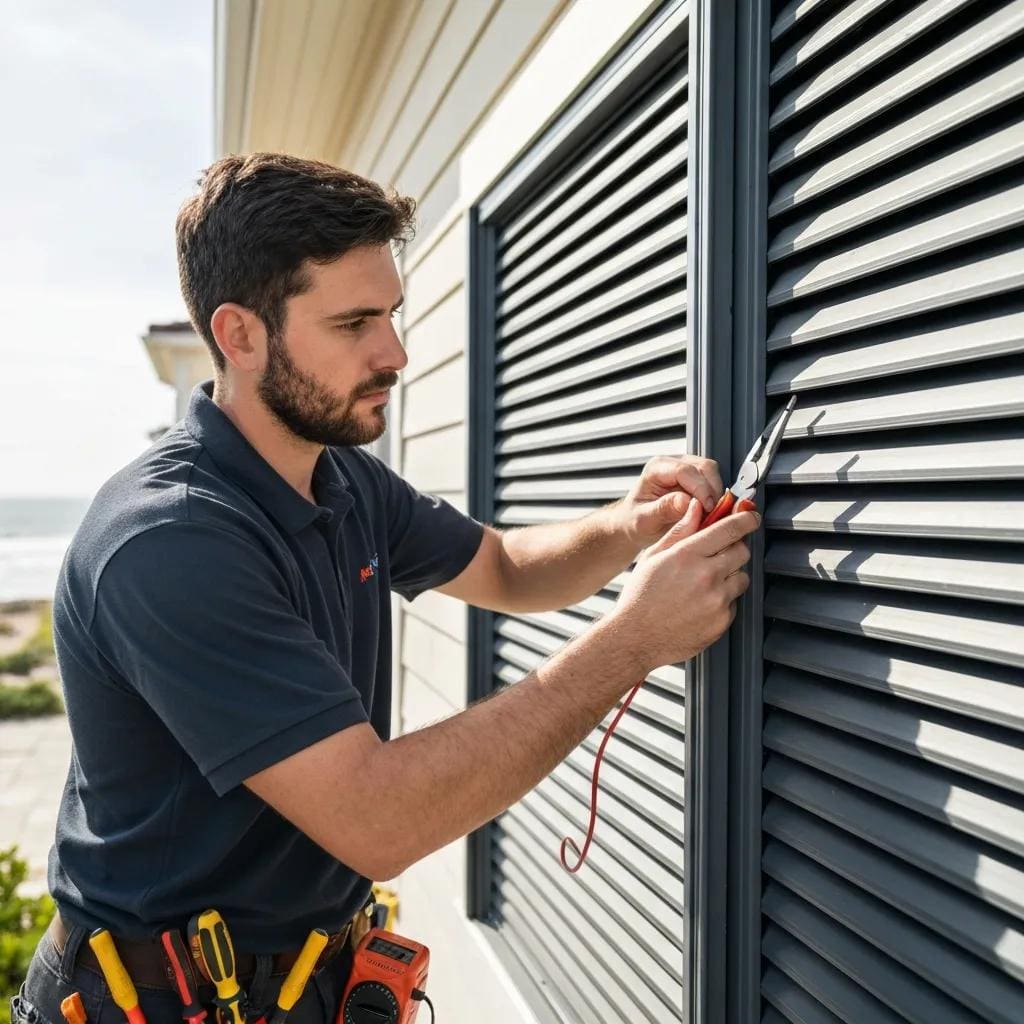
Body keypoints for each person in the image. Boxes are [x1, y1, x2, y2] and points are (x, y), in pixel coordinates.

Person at [14, 153, 755, 1024]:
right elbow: (379, 820)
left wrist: (629, 524)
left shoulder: (340, 477)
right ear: (240, 335)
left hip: (309, 985)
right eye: (355, 323)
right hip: (155, 1004)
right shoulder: (170, 541)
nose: (395, 354)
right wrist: (633, 641)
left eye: (392, 314)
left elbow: (505, 567)